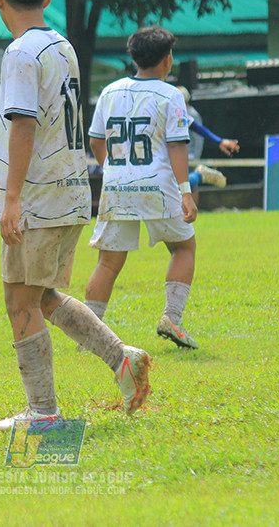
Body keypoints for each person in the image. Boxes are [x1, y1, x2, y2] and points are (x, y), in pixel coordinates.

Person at [0, 0, 152, 433]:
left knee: (20, 299)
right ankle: (123, 359)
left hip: (38, 196)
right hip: (73, 190)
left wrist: (11, 198)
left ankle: (43, 413)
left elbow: (22, 125)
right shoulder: (62, 46)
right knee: (43, 295)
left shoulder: (20, 53)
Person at [83, 26, 201, 350]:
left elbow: (95, 140)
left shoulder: (109, 91)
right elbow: (177, 146)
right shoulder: (171, 94)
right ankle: (172, 319)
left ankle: (88, 337)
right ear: (166, 60)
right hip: (158, 186)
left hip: (117, 186)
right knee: (183, 247)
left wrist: (115, 169)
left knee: (107, 263)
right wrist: (186, 192)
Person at [177, 85, 240, 191]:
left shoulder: (181, 113)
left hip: (184, 156)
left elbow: (195, 127)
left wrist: (219, 141)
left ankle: (198, 176)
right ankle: (198, 176)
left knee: (178, 189)